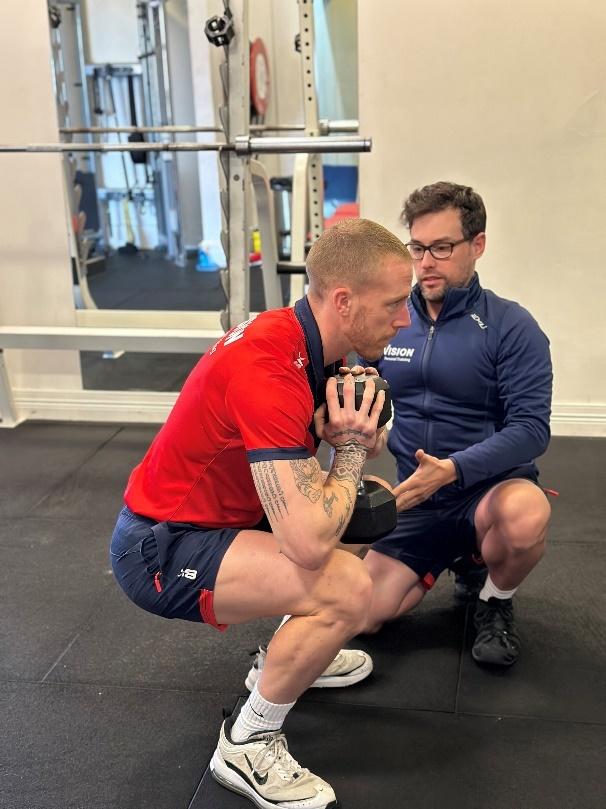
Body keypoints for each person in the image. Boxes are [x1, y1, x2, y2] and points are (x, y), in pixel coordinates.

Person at [109, 217, 413, 809]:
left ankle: (286, 656)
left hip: (222, 517)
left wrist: (342, 439)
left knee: (364, 505)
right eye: (396, 304)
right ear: (344, 301)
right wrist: (346, 446)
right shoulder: (270, 367)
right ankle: (249, 741)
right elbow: (305, 543)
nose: (405, 318)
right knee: (350, 587)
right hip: (160, 548)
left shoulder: (308, 343)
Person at [357, 180, 553, 667]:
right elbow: (369, 388)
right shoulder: (394, 318)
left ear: (477, 245)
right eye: (417, 247)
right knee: (362, 615)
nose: (425, 263)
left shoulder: (511, 326)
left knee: (526, 516)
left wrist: (454, 469)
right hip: (418, 497)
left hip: (488, 492)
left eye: (442, 248)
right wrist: (370, 425)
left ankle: (494, 600)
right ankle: (454, 559)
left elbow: (532, 429)